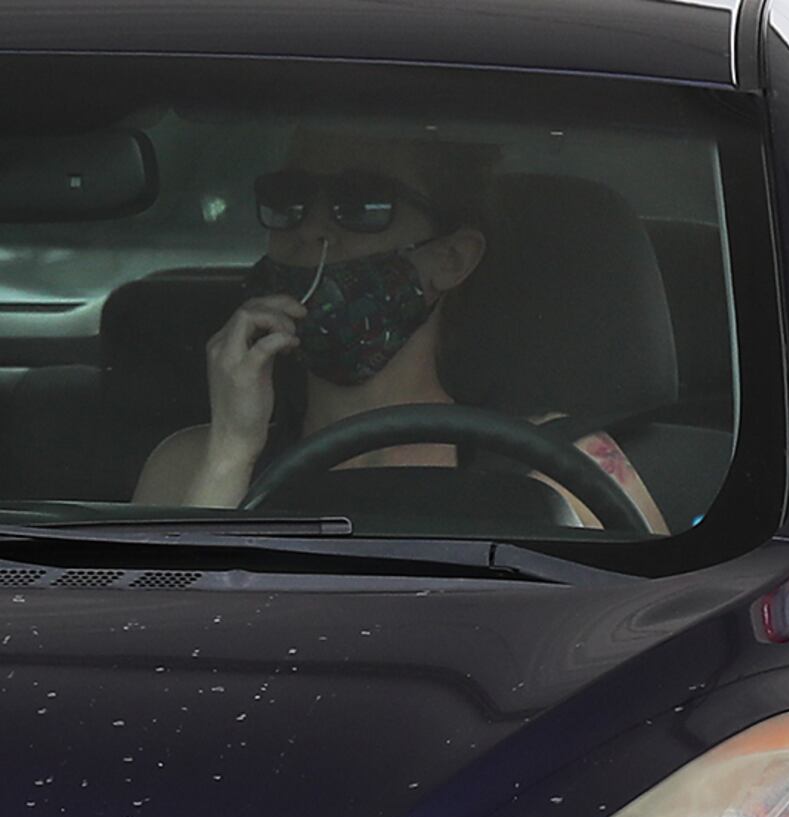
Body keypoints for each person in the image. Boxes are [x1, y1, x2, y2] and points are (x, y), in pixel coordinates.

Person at [135, 131, 664, 530]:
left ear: (451, 258)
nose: (312, 230)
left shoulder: (563, 463)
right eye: (290, 200)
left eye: (362, 204)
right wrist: (231, 450)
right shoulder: (190, 461)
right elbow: (150, 636)